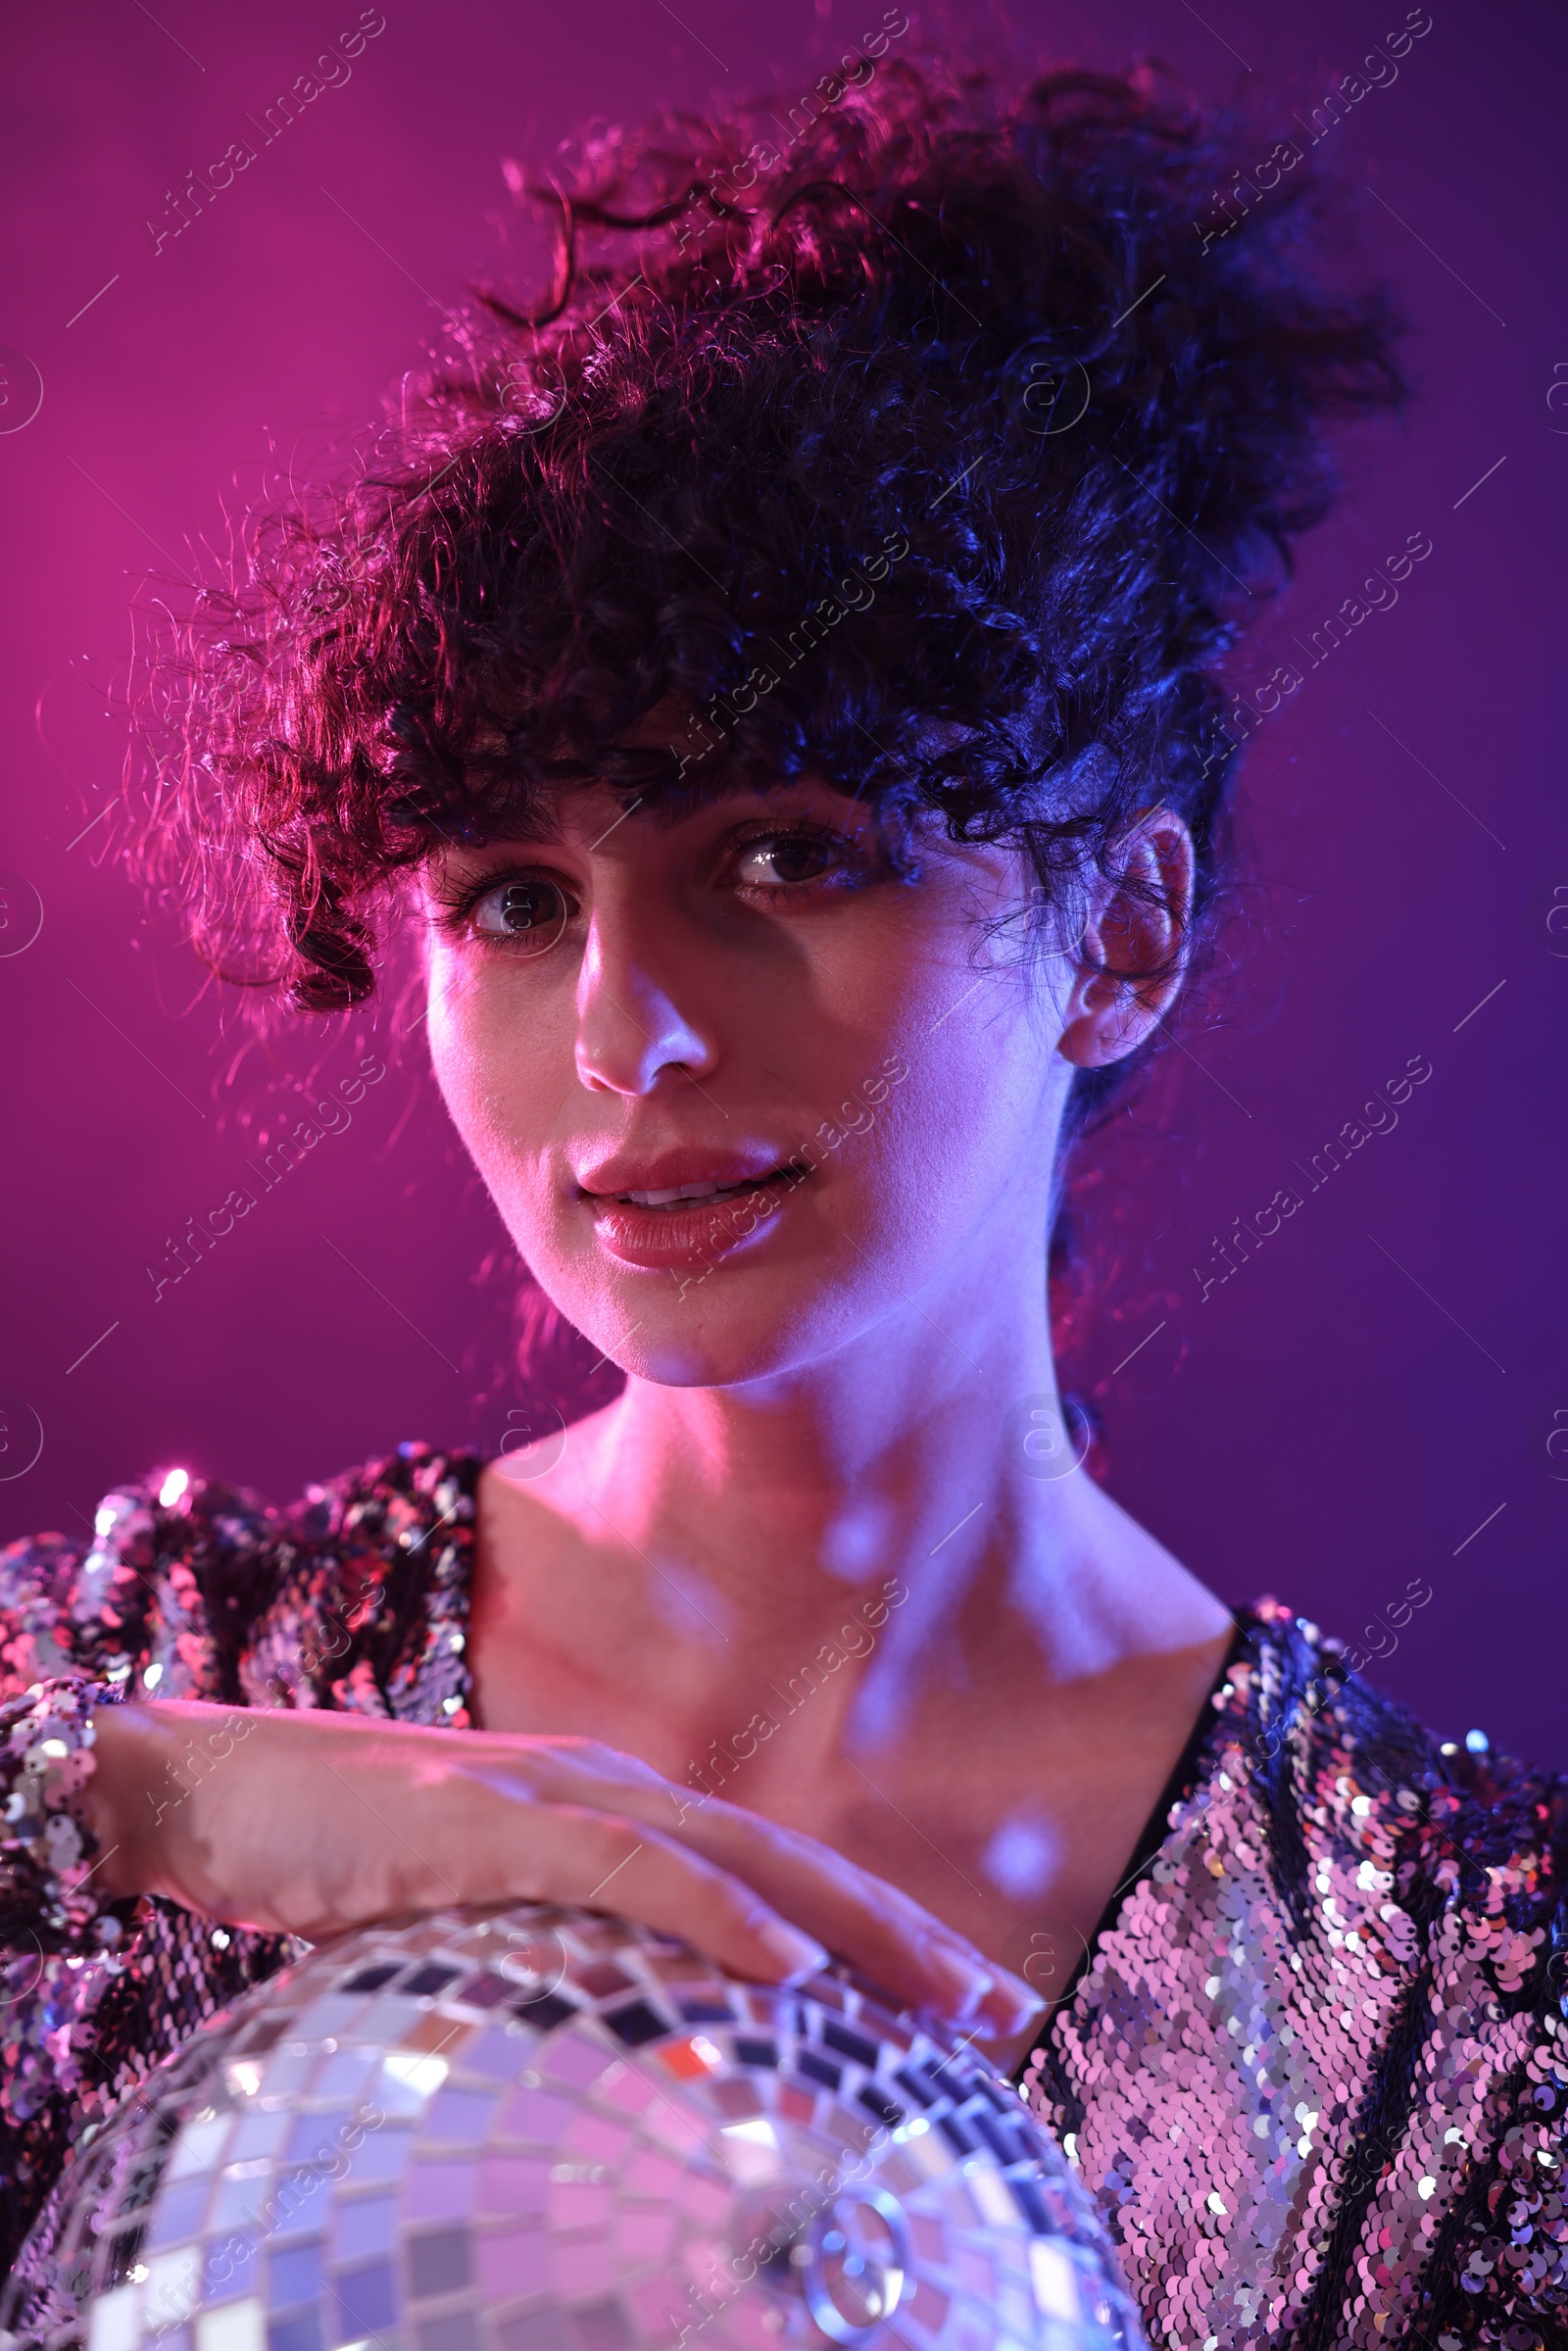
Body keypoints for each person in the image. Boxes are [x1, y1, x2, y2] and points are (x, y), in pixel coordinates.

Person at [4, 45, 1564, 2351]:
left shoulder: (1450, 2008)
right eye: (518, 899)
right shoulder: (155, 1690)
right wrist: (127, 1812)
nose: (629, 1033)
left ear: (1120, 931)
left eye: (784, 854)